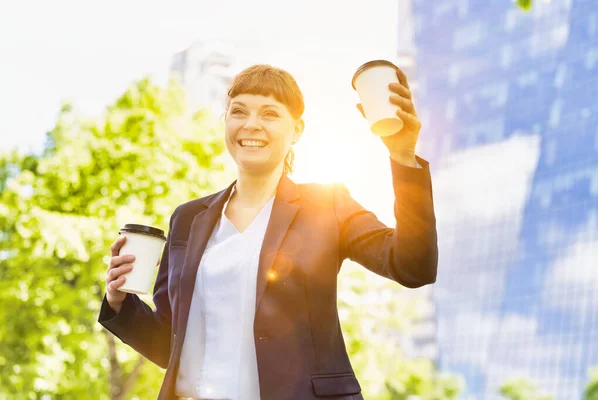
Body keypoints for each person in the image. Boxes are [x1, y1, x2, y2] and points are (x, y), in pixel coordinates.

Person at [99, 64, 438, 400]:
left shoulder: (327, 205)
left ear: (297, 130)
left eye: (270, 114)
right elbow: (169, 345)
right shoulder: (188, 219)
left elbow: (411, 265)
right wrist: (120, 301)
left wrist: (402, 156)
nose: (251, 124)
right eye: (238, 111)